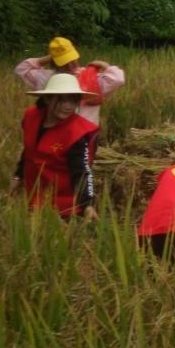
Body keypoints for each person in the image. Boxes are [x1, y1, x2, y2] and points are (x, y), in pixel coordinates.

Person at [14, 71, 100, 218]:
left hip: (61, 205)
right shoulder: (31, 117)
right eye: (61, 100)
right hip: (32, 195)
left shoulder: (77, 133)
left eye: (73, 101)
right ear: (48, 99)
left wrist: (86, 205)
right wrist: (18, 176)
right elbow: (29, 150)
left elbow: (82, 171)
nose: (67, 106)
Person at [14, 36, 125, 127]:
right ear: (54, 62)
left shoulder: (90, 77)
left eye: (72, 60)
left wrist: (102, 64)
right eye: (64, 61)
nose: (70, 65)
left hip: (84, 133)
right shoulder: (44, 78)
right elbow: (21, 69)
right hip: (55, 134)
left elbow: (119, 79)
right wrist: (49, 57)